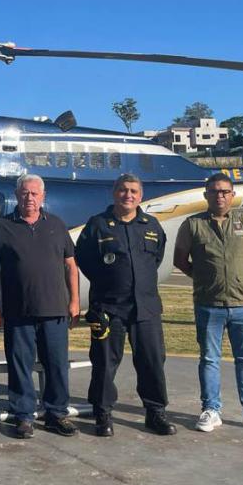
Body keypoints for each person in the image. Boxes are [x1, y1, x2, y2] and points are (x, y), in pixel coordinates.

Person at [173, 172, 243, 433]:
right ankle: (211, 410)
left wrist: (241, 280)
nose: (219, 195)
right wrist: (202, 279)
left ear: (232, 195)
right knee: (210, 359)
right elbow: (181, 260)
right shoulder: (192, 224)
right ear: (206, 195)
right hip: (208, 304)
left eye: (224, 191)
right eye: (214, 191)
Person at [75, 173, 176, 437]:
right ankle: (103, 414)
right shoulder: (98, 225)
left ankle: (155, 413)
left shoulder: (152, 225)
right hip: (109, 308)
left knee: (152, 362)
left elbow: (155, 259)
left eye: (133, 191)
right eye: (122, 190)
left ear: (140, 196)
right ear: (114, 193)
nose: (128, 195)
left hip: (146, 308)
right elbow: (84, 260)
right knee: (105, 364)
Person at [0, 173, 80, 439]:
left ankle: (57, 414)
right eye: (25, 193)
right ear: (17, 195)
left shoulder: (57, 225)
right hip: (18, 311)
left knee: (57, 365)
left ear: (43, 196)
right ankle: (24, 417)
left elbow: (71, 266)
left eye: (35, 193)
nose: (29, 198)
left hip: (55, 310)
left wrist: (74, 301)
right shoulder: (1, 227)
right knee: (20, 366)